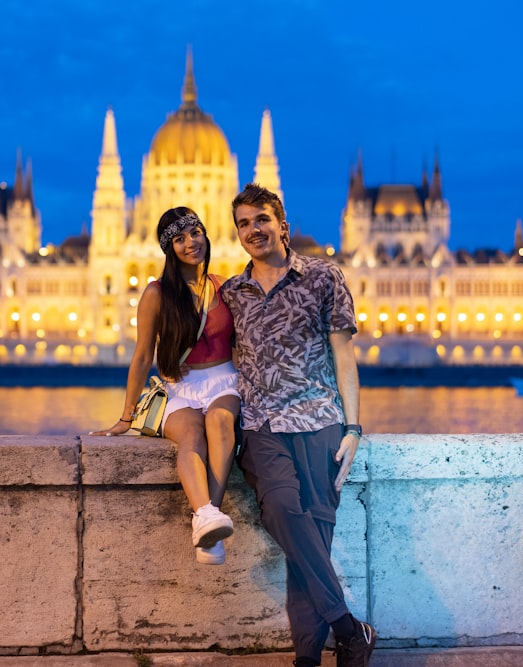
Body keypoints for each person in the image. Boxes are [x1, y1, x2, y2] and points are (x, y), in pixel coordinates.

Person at [219, 183, 376, 667]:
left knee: (309, 547)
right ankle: (351, 628)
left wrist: (353, 429)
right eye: (243, 223)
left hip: (320, 421)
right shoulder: (231, 292)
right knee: (284, 512)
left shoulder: (324, 277)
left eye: (260, 220)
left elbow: (343, 356)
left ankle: (307, 659)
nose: (253, 230)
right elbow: (205, 360)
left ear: (282, 225)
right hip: (262, 426)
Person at [91, 207, 241, 565]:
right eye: (180, 238)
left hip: (223, 379)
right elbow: (143, 356)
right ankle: (207, 524)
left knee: (220, 423)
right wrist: (126, 416)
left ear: (207, 234)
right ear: (168, 248)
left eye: (196, 233)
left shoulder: (226, 287)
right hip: (182, 385)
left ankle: (207, 515)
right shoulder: (157, 294)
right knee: (190, 436)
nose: (192, 243)